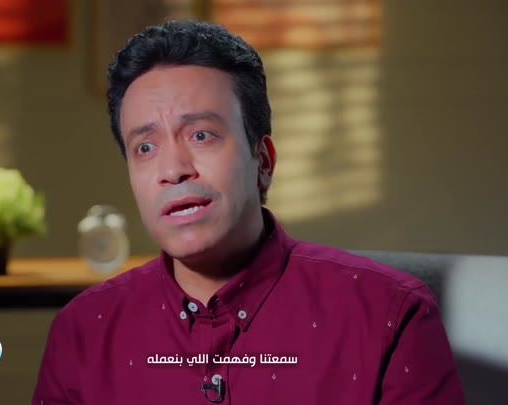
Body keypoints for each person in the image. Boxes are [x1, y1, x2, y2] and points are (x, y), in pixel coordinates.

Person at [33, 20, 465, 404]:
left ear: (263, 161)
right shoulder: (83, 331)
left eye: (201, 135)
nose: (173, 169)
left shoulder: (392, 315)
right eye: (145, 147)